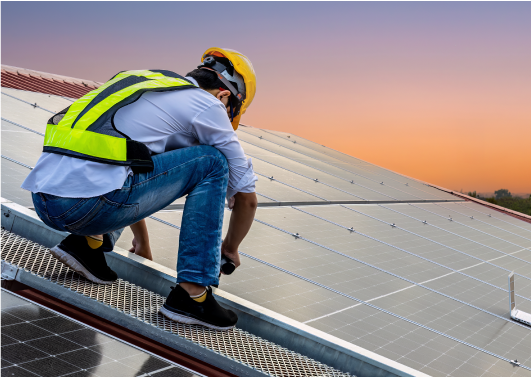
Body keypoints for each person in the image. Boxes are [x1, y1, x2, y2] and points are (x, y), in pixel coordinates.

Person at [21, 48, 258, 330]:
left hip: (45, 199)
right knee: (212, 161)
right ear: (225, 96)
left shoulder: (142, 83)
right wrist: (230, 248)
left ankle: (87, 245)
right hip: (86, 207)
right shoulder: (206, 104)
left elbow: (128, 164)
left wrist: (142, 240)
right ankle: (193, 293)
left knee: (143, 160)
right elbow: (246, 199)